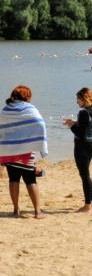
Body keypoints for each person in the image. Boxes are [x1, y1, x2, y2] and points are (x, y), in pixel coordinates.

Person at [0, 86, 47, 219]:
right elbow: (39, 123)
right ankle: (37, 211)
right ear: (27, 96)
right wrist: (37, 142)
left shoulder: (6, 109)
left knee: (13, 179)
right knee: (30, 180)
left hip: (10, 151)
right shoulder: (30, 109)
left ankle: (16, 211)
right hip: (27, 151)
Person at [64, 87, 92, 213]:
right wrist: (75, 122)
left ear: (84, 99)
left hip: (82, 146)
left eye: (78, 99)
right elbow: (87, 125)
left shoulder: (84, 112)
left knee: (84, 175)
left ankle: (87, 205)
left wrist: (71, 125)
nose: (76, 102)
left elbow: (80, 133)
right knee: (86, 174)